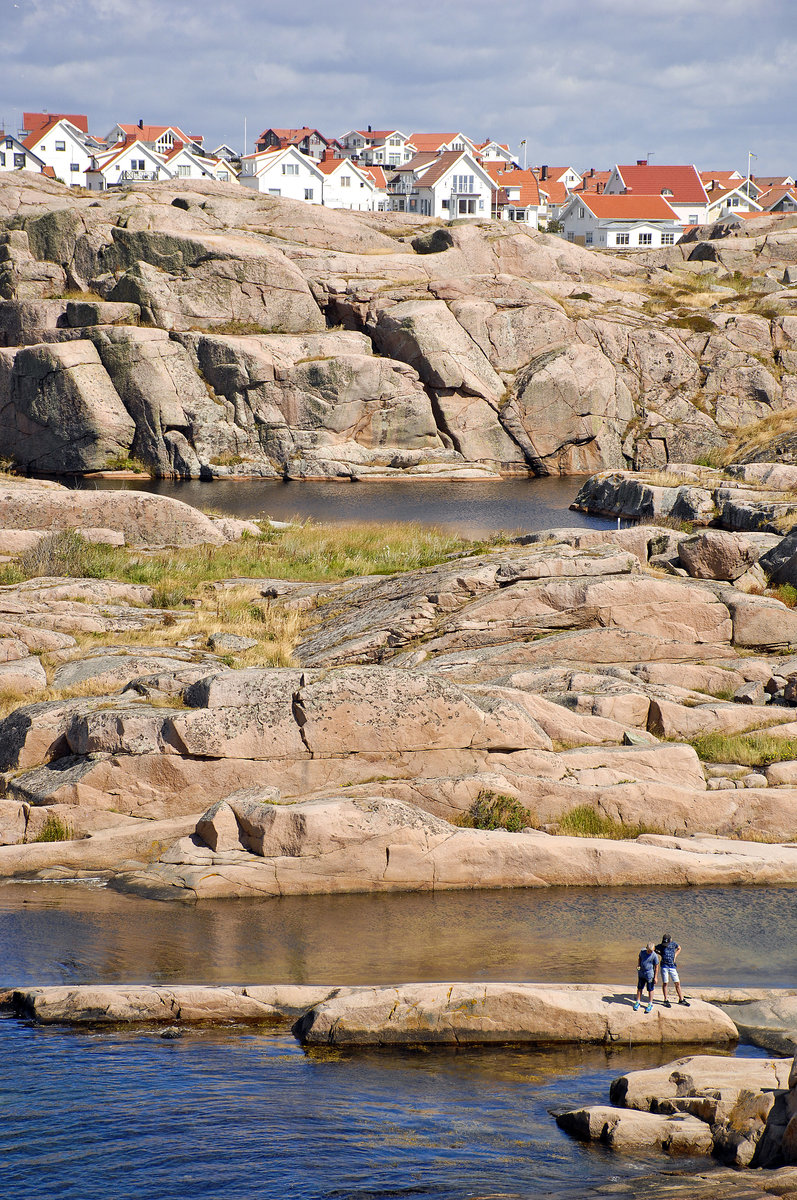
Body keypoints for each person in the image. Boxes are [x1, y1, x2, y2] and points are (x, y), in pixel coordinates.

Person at [655, 933, 690, 1007]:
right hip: (664, 966)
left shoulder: (674, 944)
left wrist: (675, 956)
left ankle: (681, 999)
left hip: (672, 966)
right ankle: (665, 1000)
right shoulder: (661, 946)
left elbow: (679, 948)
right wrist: (660, 954)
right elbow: (653, 948)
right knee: (665, 983)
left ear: (670, 940)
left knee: (677, 983)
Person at [634, 941, 659, 1014]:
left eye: (651, 950)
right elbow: (639, 958)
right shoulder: (642, 951)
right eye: (649, 950)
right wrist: (638, 965)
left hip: (649, 974)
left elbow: (656, 967)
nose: (650, 952)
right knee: (639, 988)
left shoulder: (654, 955)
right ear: (646, 948)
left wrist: (656, 977)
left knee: (650, 989)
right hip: (641, 973)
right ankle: (638, 1002)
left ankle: (650, 1003)